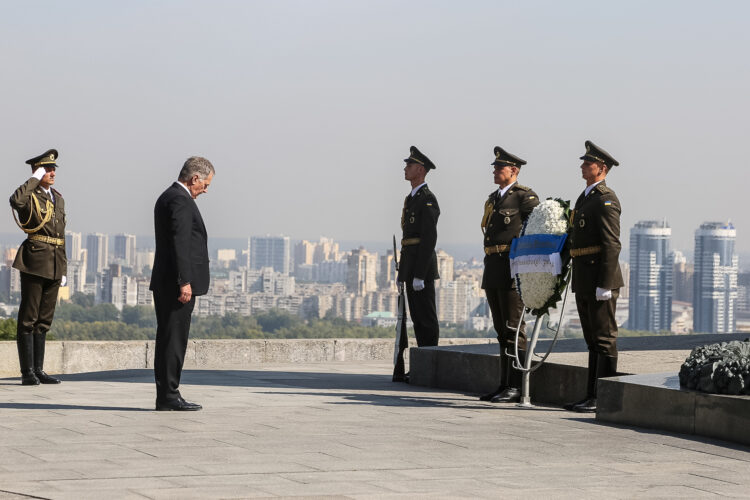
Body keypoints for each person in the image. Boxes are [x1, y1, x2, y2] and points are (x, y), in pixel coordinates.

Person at [150, 156, 214, 411]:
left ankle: (167, 393)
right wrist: (184, 281)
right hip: (175, 284)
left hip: (168, 281)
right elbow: (180, 243)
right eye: (205, 184)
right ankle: (169, 395)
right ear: (195, 178)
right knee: (173, 339)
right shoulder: (180, 199)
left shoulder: (169, 196)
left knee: (169, 338)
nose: (206, 189)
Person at [565, 140, 623, 413]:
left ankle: (604, 396)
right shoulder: (585, 197)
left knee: (603, 338)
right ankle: (592, 394)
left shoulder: (605, 199)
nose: (582, 166)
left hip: (599, 279)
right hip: (584, 276)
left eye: (587, 163)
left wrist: (606, 283)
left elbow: (612, 244)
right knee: (592, 340)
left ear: (601, 168)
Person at [478, 147, 539, 403]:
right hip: (493, 266)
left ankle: (515, 385)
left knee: (515, 329)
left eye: (498, 167)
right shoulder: (493, 198)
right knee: (501, 329)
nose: (494, 170)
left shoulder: (525, 198)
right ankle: (504, 383)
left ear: (513, 170)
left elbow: (535, 234)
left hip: (513, 269)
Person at [9, 149, 66, 385]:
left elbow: (60, 234)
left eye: (53, 169)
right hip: (35, 262)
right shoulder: (29, 195)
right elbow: (15, 201)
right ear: (38, 170)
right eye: (47, 169)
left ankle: (39, 370)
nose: (52, 173)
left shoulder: (58, 198)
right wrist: (34, 179)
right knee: (28, 318)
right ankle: (27, 372)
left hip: (54, 263)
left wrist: (63, 270)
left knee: (44, 320)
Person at [398, 146, 440, 353]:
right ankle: (422, 363)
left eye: (409, 165)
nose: (405, 168)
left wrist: (420, 274)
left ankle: (430, 361)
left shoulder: (427, 199)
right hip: (411, 264)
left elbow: (429, 239)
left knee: (426, 318)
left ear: (420, 170)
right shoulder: (412, 199)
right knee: (417, 319)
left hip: (421, 268)